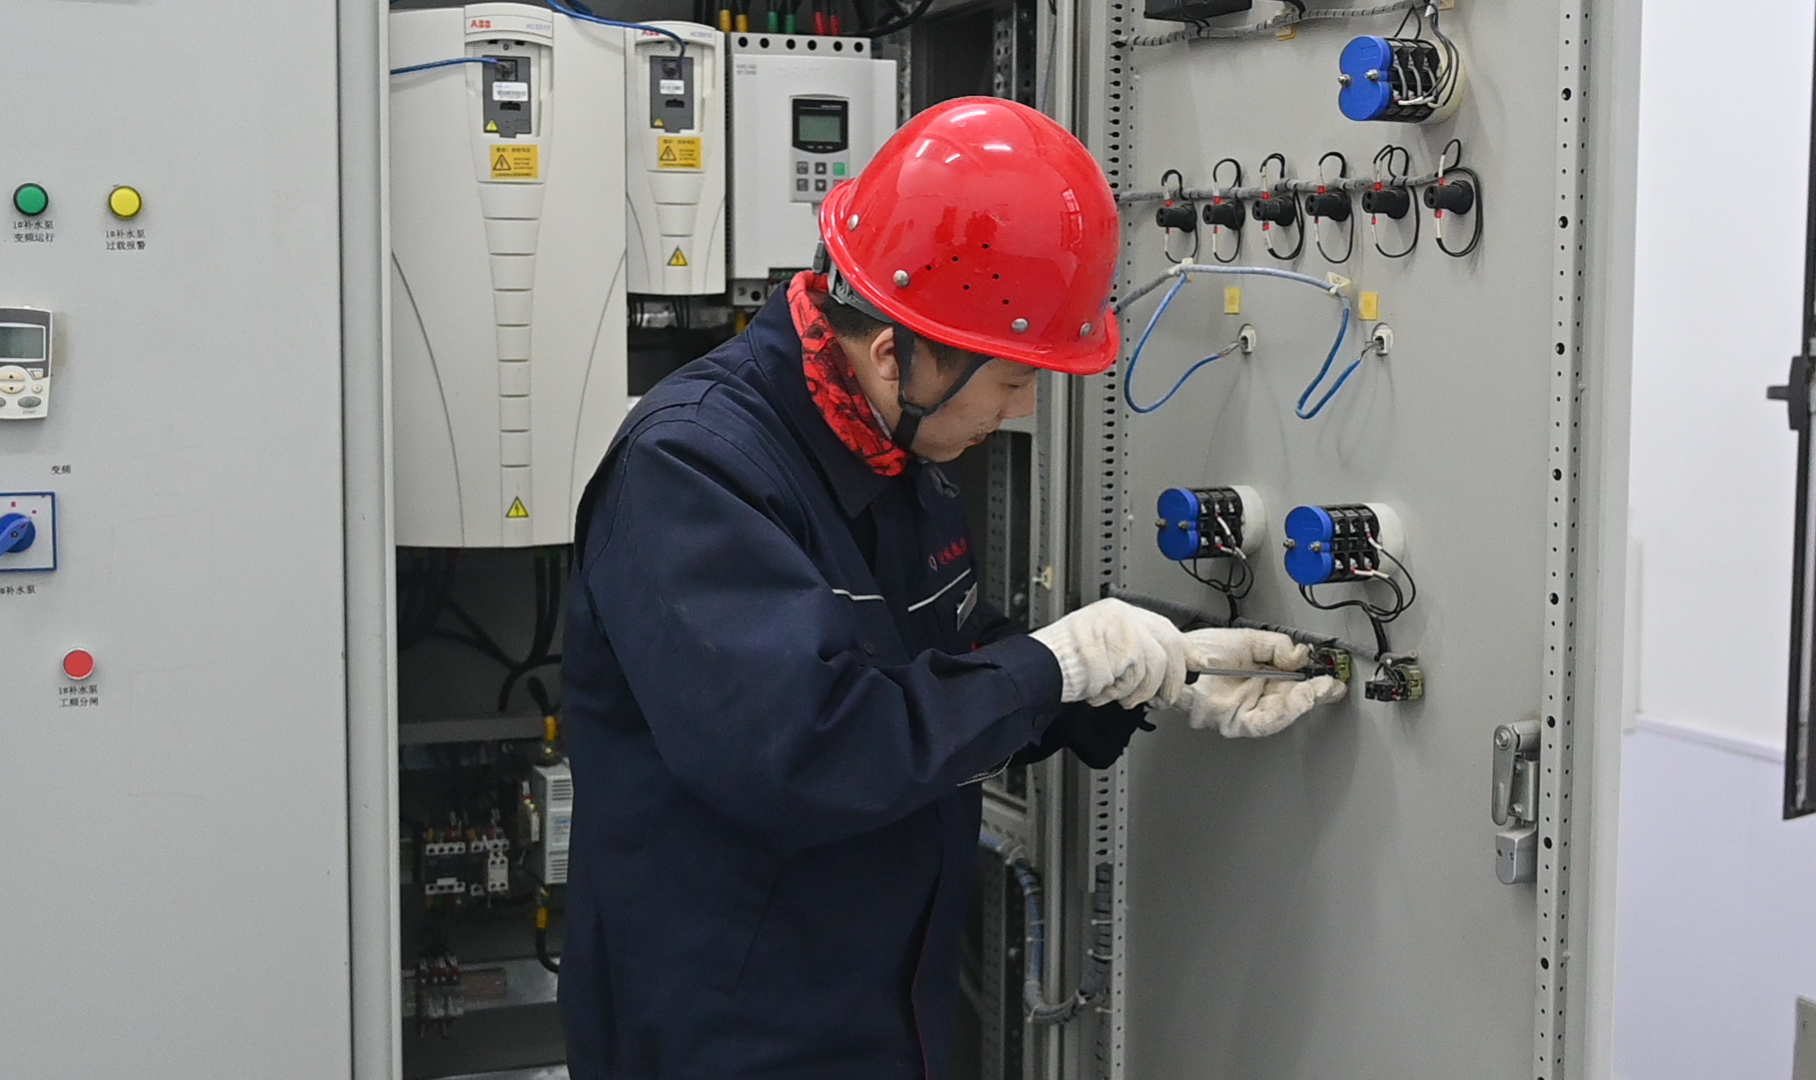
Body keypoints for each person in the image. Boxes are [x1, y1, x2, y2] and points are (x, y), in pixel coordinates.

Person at [559, 97, 1346, 1079]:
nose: (1021, 408)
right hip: (729, 1028)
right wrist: (1054, 668)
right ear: (899, 355)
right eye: (1010, 381)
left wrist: (1150, 665)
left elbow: (945, 667)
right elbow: (810, 748)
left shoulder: (891, 441)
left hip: (875, 1009)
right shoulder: (692, 471)